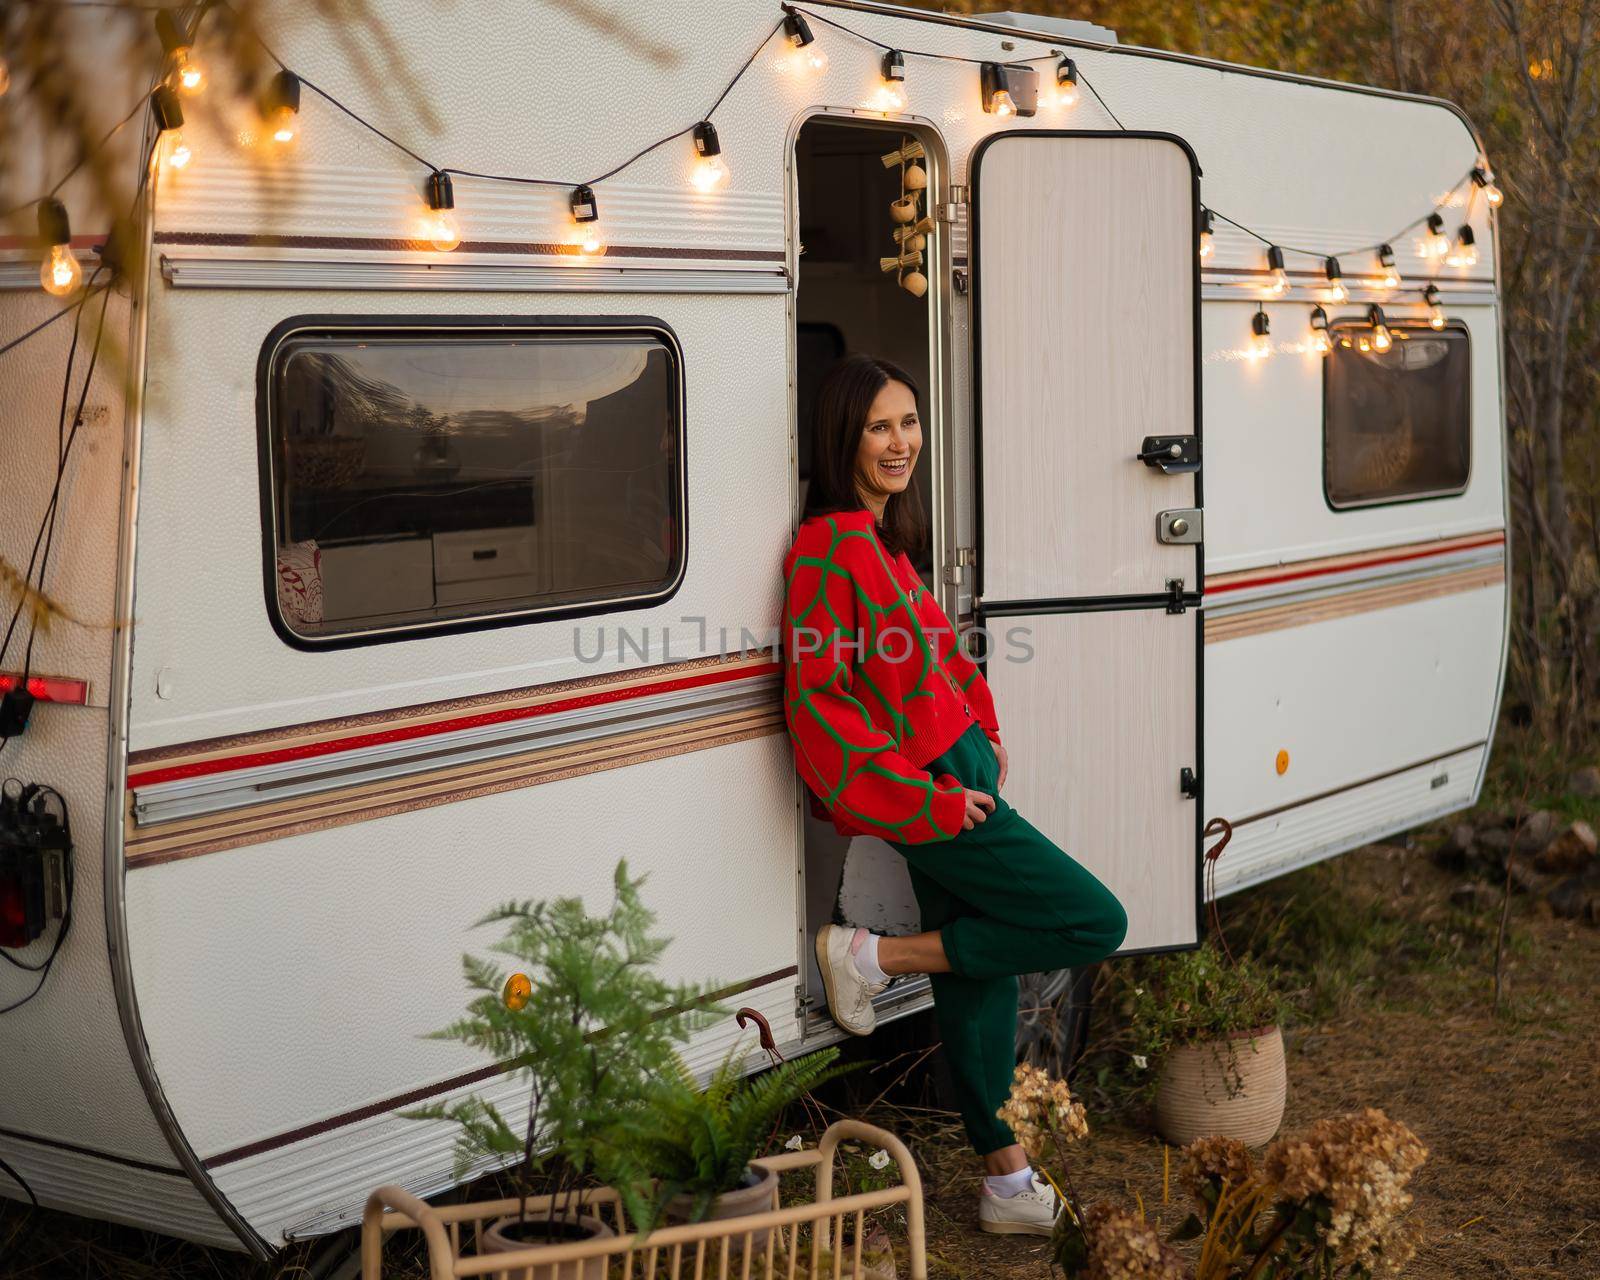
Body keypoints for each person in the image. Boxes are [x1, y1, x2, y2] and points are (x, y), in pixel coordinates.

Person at [781, 353, 1129, 1237]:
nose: (901, 443)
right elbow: (817, 708)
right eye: (879, 427)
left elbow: (939, 655)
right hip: (932, 797)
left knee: (979, 975)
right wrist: (925, 801)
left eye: (908, 423)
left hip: (960, 779)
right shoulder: (828, 549)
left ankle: (1005, 1183)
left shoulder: (886, 543)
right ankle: (871, 958)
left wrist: (989, 728)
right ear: (843, 439)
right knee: (1092, 919)